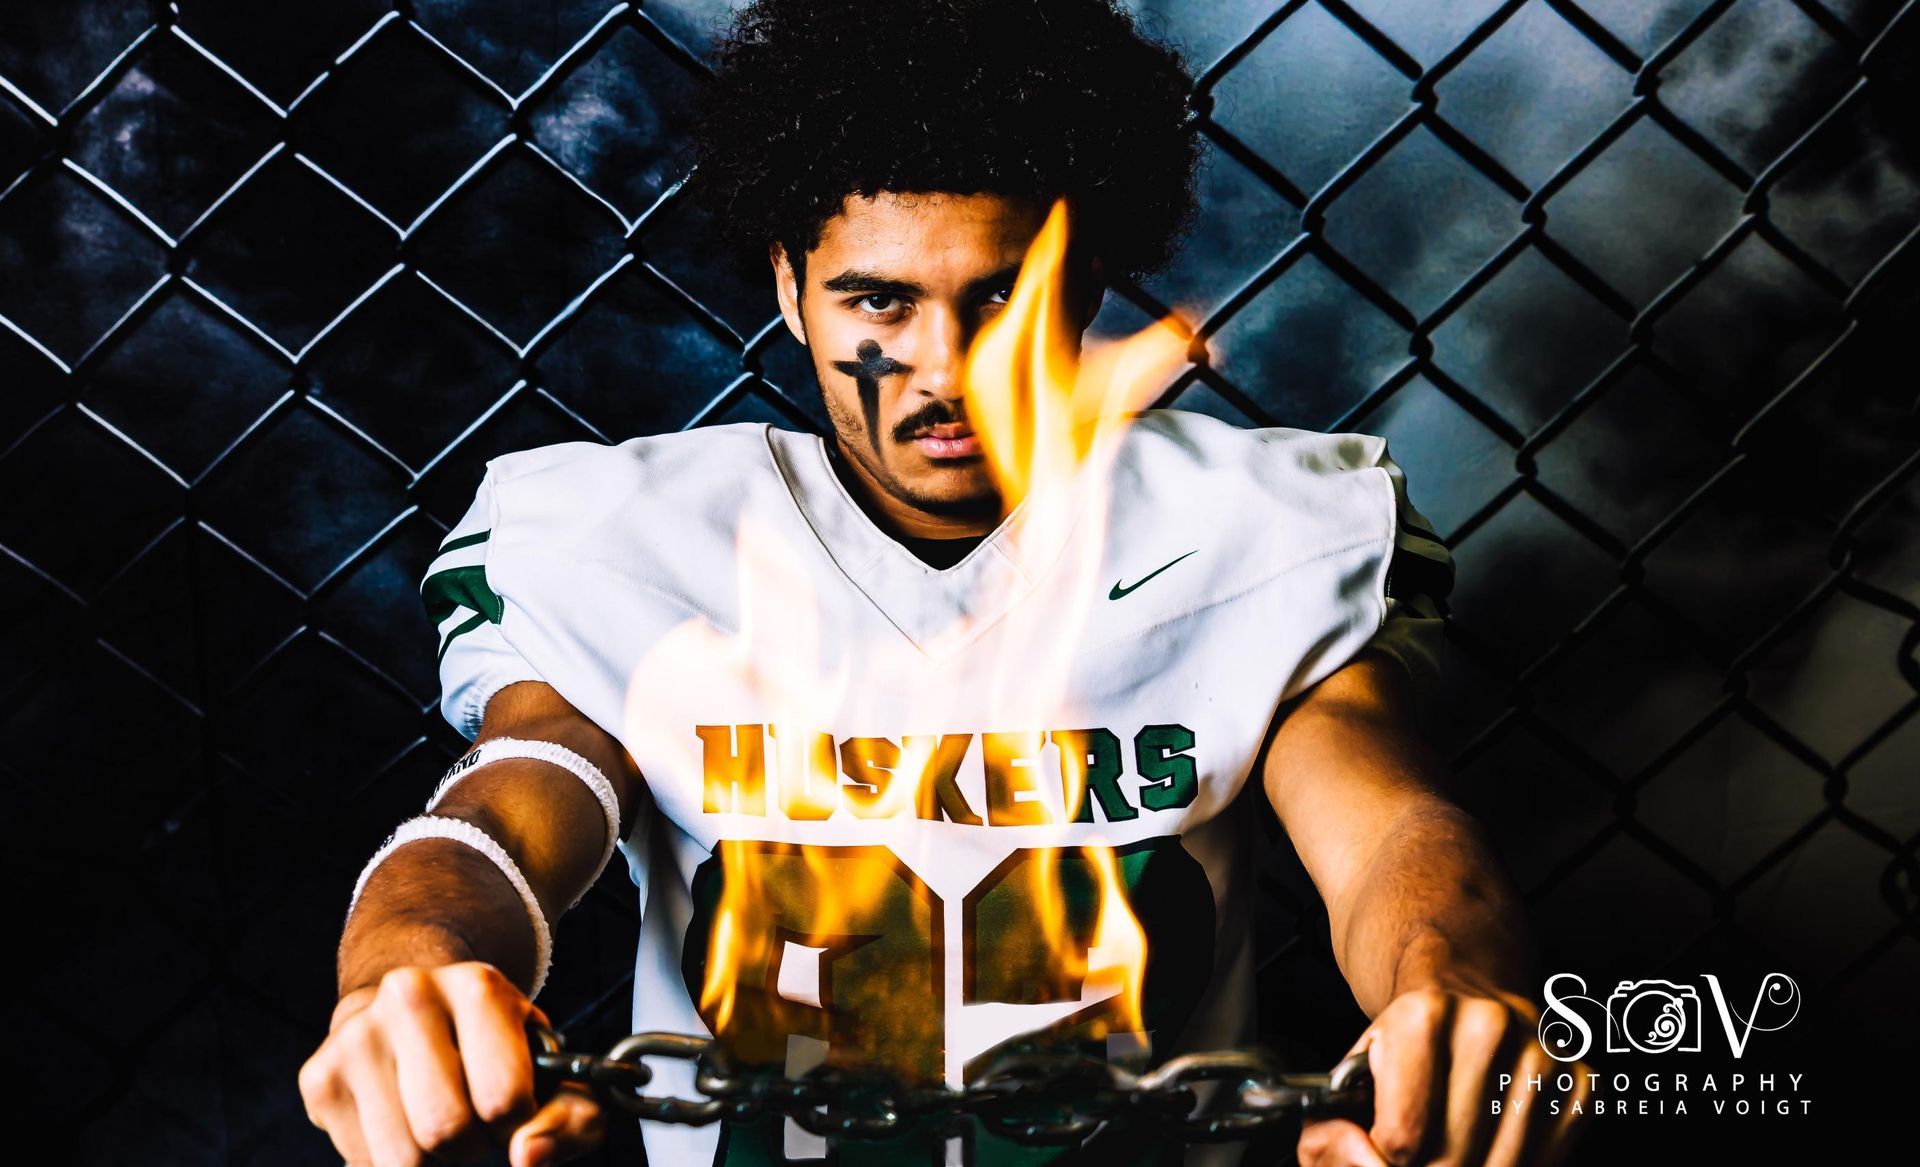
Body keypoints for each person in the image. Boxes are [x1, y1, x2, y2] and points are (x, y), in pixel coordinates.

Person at [298, 2, 1589, 1164]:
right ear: (790, 288)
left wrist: (1449, 993)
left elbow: (1388, 831)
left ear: (1084, 282)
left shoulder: (1249, 532)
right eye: (879, 303)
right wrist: (414, 969)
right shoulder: (631, 542)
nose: (941, 368)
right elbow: (517, 805)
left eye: (996, 299)